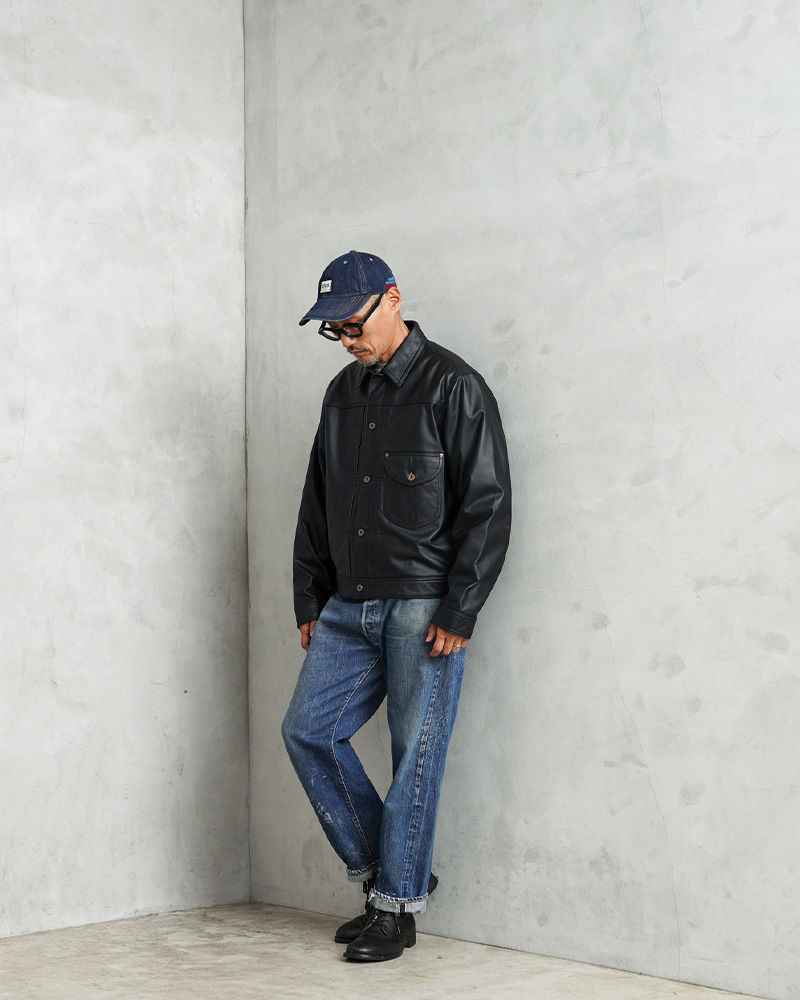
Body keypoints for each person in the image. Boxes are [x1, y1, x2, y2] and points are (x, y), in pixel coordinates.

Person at [282, 250, 512, 962]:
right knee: (308, 733)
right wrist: (310, 595)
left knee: (416, 753)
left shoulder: (454, 386)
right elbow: (318, 501)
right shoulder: (341, 393)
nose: (346, 340)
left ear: (393, 298)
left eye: (353, 324)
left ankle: (395, 910)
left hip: (422, 609)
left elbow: (487, 506)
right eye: (335, 331)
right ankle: (394, 874)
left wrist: (460, 609)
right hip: (346, 605)